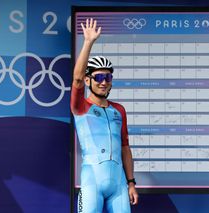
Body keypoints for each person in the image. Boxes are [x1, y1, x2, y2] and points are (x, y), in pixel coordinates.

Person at [70, 18, 139, 213]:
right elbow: (76, 78)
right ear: (88, 79)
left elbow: (125, 148)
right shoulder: (81, 107)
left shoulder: (119, 110)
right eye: (99, 77)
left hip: (119, 186)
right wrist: (88, 42)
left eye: (107, 77)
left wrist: (131, 183)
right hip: (92, 181)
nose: (103, 82)